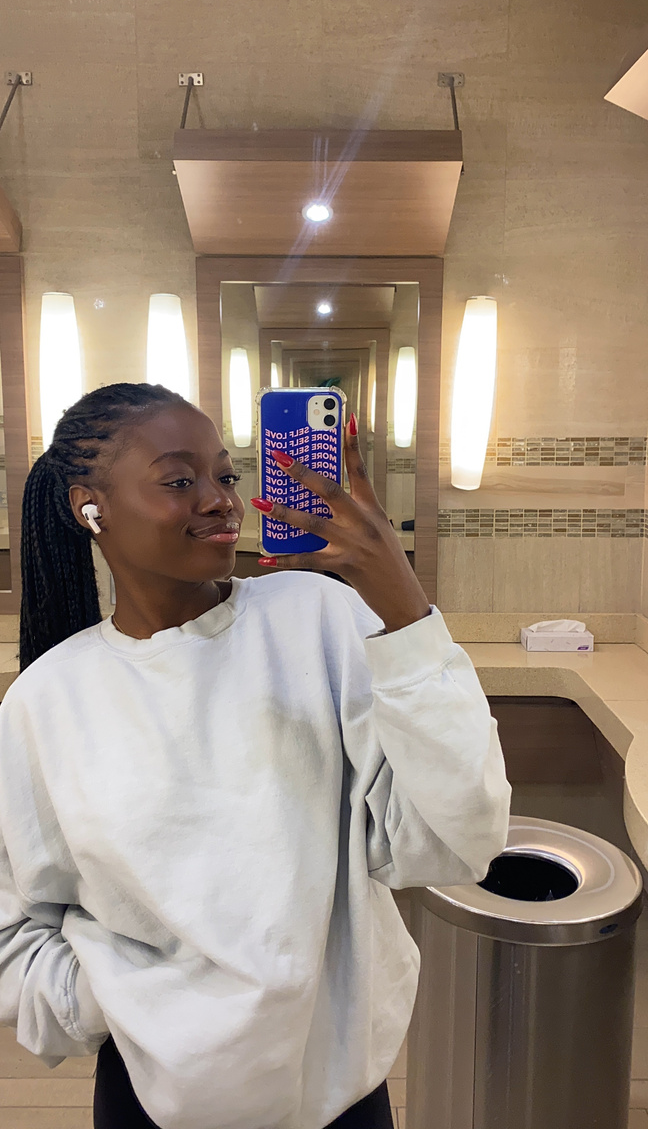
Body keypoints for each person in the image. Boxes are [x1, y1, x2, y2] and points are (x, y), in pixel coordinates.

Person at [0, 382, 511, 1129]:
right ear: (90, 507)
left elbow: (459, 840)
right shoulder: (46, 701)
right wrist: (116, 1000)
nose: (220, 500)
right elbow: (15, 925)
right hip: (151, 1097)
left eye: (227, 476)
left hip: (340, 1098)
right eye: (180, 480)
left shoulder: (316, 619)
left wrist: (404, 608)